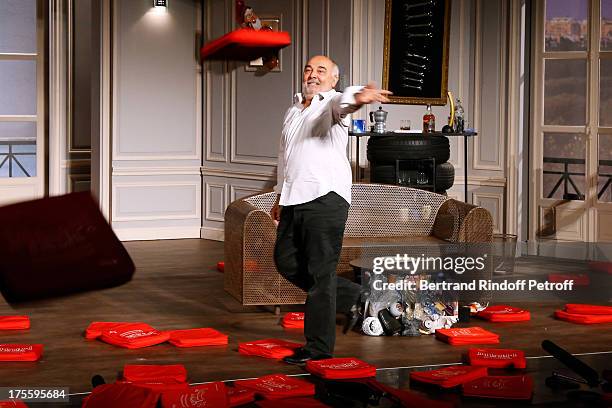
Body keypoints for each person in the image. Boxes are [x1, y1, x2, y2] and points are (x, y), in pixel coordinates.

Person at [271, 55, 391, 365]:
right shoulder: (292, 110)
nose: (312, 74)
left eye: (321, 70)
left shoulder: (332, 103)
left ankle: (318, 350)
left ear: (333, 79)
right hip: (294, 197)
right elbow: (287, 157)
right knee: (284, 261)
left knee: (321, 276)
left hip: (325, 199)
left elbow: (345, 102)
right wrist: (279, 197)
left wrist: (359, 97)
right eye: (308, 69)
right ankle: (362, 296)